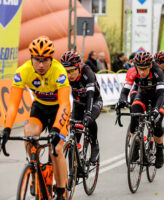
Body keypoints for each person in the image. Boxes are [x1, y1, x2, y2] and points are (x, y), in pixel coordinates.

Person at [0, 36, 70, 200]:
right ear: (31, 58)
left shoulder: (59, 71)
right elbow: (13, 104)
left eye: (45, 60)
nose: (40, 65)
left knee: (57, 149)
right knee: (29, 136)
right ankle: (34, 170)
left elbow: (65, 104)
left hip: (58, 109)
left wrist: (55, 130)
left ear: (50, 59)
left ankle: (61, 190)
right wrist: (7, 129)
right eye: (37, 60)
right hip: (39, 108)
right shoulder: (23, 71)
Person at [116, 51, 164, 169]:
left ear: (150, 66)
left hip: (157, 98)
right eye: (140, 68)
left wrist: (156, 110)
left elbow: (161, 95)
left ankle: (159, 150)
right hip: (142, 94)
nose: (142, 72)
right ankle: (136, 145)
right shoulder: (133, 71)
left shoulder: (157, 71)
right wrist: (122, 100)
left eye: (144, 69)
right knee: (134, 112)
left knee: (157, 123)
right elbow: (125, 91)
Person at [60, 51, 103, 163]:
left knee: (90, 120)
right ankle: (74, 168)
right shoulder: (63, 76)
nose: (69, 75)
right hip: (78, 103)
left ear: (78, 66)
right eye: (66, 72)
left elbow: (90, 95)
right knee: (75, 131)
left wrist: (88, 114)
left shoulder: (87, 72)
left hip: (94, 101)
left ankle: (94, 145)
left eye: (72, 71)